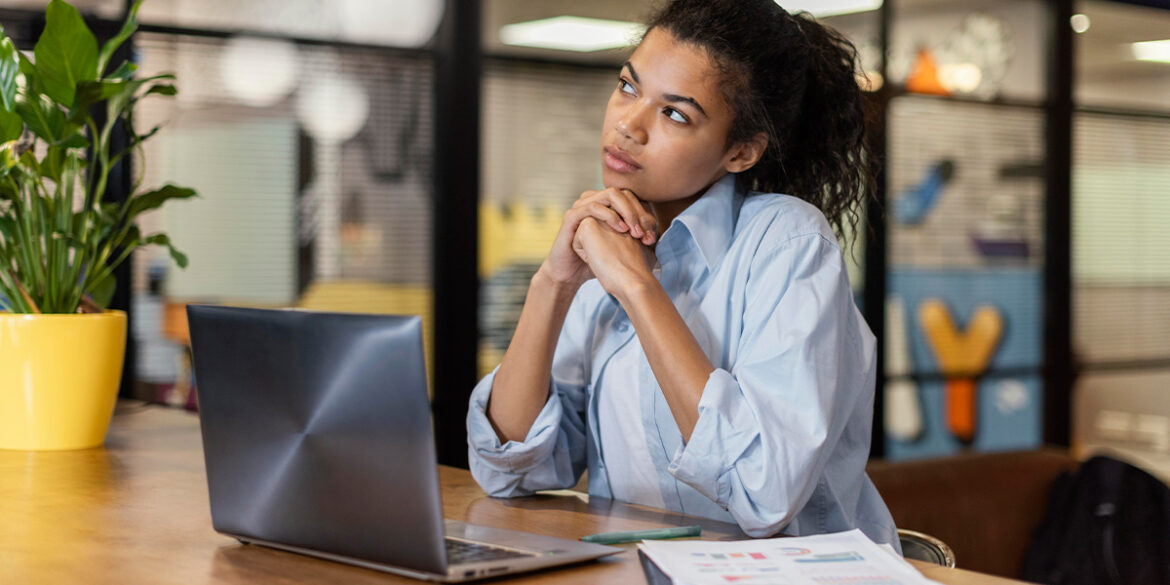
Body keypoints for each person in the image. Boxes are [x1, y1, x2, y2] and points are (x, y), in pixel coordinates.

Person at [465, 0, 898, 547]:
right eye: (628, 86)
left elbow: (763, 493)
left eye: (674, 114)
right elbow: (510, 471)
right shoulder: (608, 237)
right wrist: (554, 282)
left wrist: (639, 288)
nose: (628, 125)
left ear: (740, 152)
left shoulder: (788, 243)